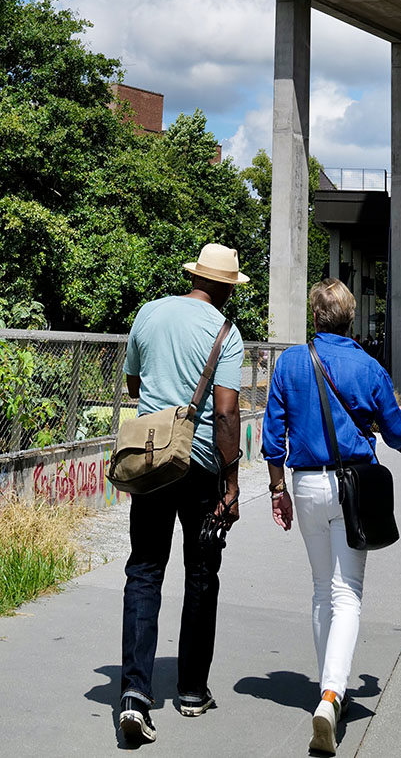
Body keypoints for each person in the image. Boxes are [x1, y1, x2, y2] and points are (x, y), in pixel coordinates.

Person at [261, 278, 401, 756]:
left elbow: (273, 432)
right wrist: (399, 417)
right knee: (347, 591)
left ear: (314, 317)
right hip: (353, 485)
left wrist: (276, 490)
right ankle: (332, 695)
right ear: (351, 319)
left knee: (320, 586)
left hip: (305, 483)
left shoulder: (290, 361)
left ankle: (327, 688)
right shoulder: (368, 366)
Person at [118, 243, 249, 743]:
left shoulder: (150, 313)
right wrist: (231, 483)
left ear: (197, 276)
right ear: (224, 287)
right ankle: (192, 691)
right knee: (202, 573)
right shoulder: (226, 333)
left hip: (152, 460)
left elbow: (134, 383)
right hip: (198, 468)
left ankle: (133, 694)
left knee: (144, 569)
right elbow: (226, 412)